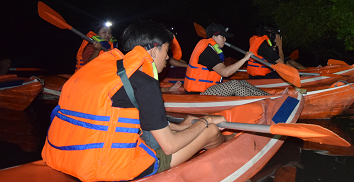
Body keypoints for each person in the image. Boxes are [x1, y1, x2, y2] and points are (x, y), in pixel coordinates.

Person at [43, 20, 226, 181]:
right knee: (210, 131)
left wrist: (180, 126)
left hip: (64, 157)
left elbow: (125, 120)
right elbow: (170, 146)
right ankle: (224, 157)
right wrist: (205, 121)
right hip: (111, 169)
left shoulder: (110, 73)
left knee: (191, 129)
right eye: (166, 50)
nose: (168, 57)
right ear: (154, 50)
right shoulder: (145, 83)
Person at [184, 23, 271, 96]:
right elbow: (225, 73)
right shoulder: (207, 51)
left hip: (208, 89)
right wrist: (244, 59)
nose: (225, 39)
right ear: (214, 36)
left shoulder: (211, 48)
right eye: (223, 36)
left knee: (242, 82)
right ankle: (263, 100)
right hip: (198, 94)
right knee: (234, 85)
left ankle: (268, 97)